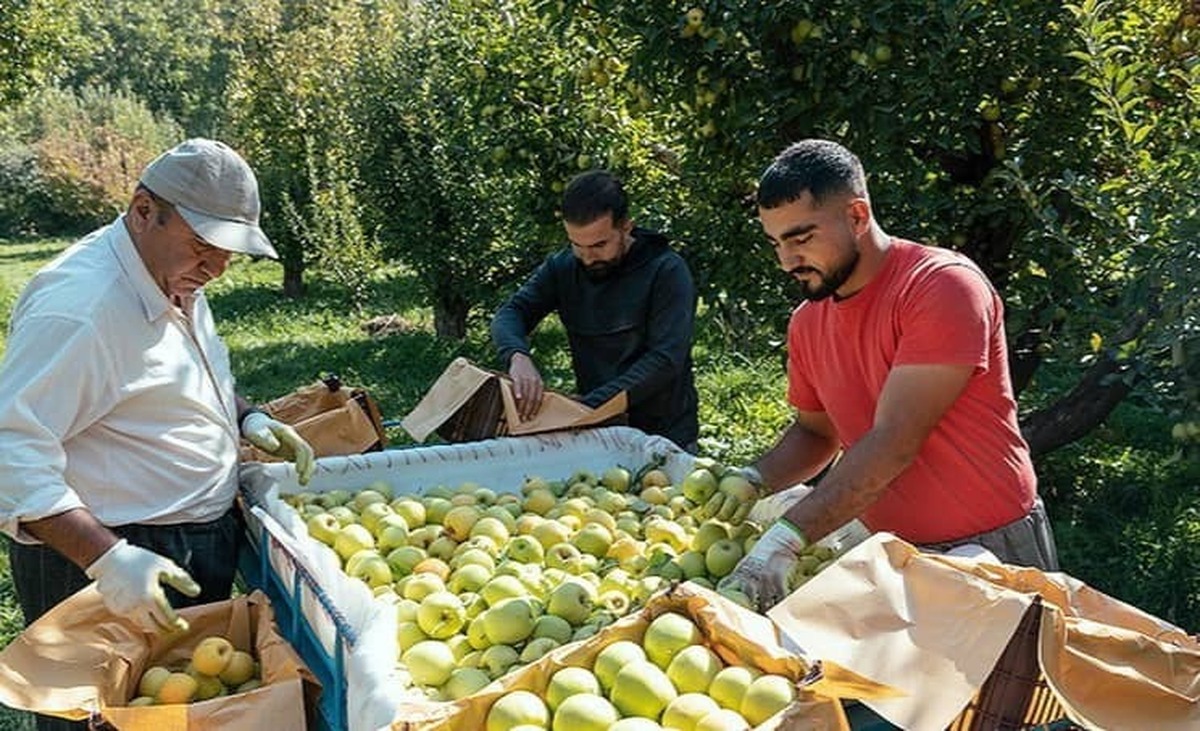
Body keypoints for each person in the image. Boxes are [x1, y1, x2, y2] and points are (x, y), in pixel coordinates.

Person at [0, 139, 314, 729]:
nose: (217, 267)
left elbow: (179, 376)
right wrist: (110, 560)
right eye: (202, 245)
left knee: (174, 712)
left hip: (179, 545)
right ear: (143, 210)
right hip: (102, 554)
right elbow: (10, 450)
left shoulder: (172, 275)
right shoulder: (81, 309)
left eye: (228, 252)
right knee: (99, 717)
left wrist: (248, 417)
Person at [720, 139, 1059, 611]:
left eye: (801, 238)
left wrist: (791, 533)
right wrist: (754, 478)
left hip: (988, 549)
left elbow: (894, 440)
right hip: (888, 550)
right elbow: (816, 434)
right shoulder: (808, 322)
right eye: (776, 243)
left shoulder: (940, 287)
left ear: (857, 216)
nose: (786, 261)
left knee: (1006, 685)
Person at [490, 170, 700, 451]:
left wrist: (588, 407)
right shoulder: (563, 268)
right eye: (577, 245)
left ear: (626, 227)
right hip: (597, 433)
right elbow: (511, 312)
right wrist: (517, 356)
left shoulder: (666, 271)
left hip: (663, 434)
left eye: (600, 244)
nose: (588, 257)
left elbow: (665, 359)